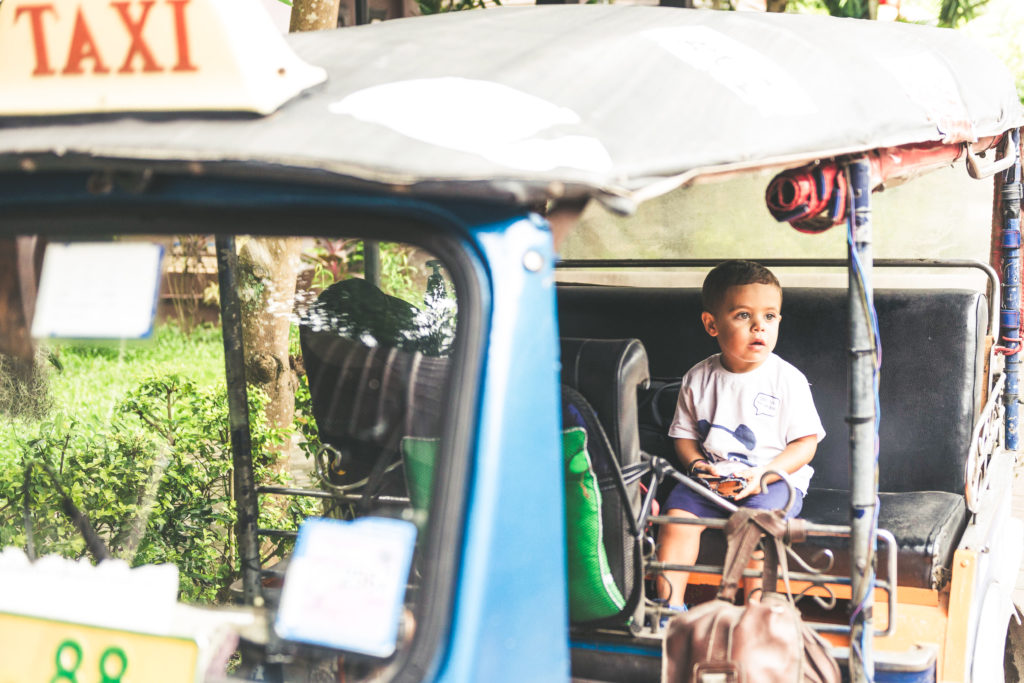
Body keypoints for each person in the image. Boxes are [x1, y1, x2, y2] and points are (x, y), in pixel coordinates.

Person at [656, 260, 825, 610]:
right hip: (713, 476)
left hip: (775, 477)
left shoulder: (787, 380)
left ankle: (756, 613)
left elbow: (805, 444)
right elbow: (684, 438)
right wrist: (698, 466)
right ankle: (668, 609)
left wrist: (763, 474)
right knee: (675, 520)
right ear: (712, 324)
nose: (759, 327)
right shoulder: (697, 378)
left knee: (755, 529)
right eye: (744, 316)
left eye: (770, 316)